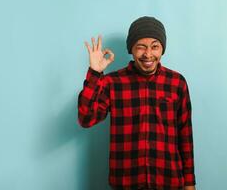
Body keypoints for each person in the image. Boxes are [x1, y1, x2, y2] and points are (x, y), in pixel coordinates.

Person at [77, 16, 196, 190]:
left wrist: (190, 183)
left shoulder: (177, 83)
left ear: (162, 49)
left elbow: (185, 135)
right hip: (126, 183)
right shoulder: (112, 83)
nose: (148, 54)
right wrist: (95, 73)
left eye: (154, 46)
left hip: (168, 181)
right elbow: (85, 118)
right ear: (131, 49)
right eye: (141, 47)